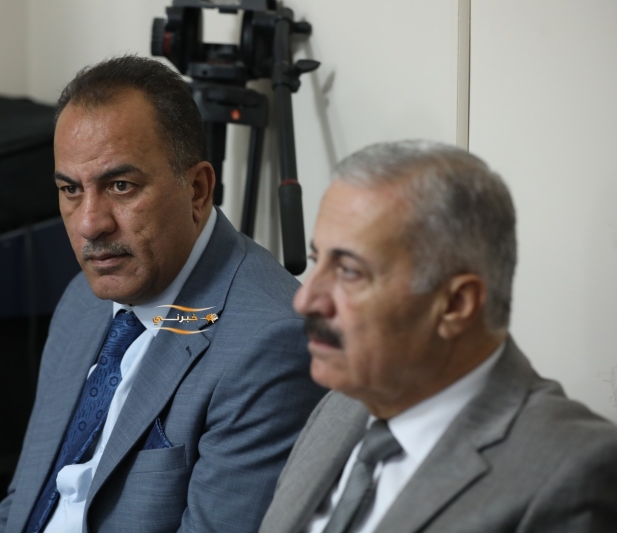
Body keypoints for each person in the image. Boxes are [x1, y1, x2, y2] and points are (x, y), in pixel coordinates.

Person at [0, 55, 325, 533]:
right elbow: (23, 503)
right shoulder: (82, 299)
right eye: (70, 190)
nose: (90, 224)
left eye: (121, 186)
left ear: (198, 190)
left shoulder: (270, 344)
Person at [259, 140, 617, 533]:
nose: (305, 300)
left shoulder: (575, 470)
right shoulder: (341, 407)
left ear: (455, 305)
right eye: (317, 259)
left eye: (349, 272)